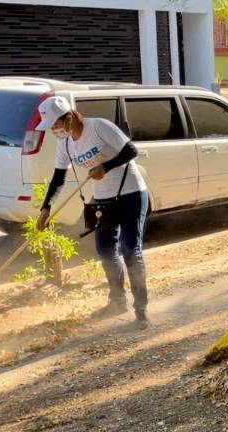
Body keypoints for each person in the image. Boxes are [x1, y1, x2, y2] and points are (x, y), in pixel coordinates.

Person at [36, 96, 150, 329]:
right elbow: (59, 178)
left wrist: (105, 167)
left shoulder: (99, 127)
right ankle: (117, 301)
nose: (54, 130)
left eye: (56, 125)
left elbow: (131, 150)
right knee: (106, 250)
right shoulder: (65, 143)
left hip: (131, 194)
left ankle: (141, 309)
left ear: (69, 117)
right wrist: (46, 208)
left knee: (130, 249)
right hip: (102, 199)